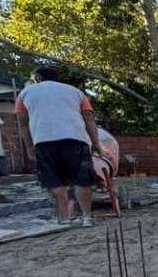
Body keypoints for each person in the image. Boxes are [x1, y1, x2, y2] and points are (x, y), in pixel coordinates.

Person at [16, 67, 108, 227]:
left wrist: (29, 146)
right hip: (75, 138)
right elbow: (89, 119)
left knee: (54, 181)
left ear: (37, 78)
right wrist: (95, 143)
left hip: (43, 140)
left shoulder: (25, 93)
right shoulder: (75, 92)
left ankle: (64, 219)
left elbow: (22, 123)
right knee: (82, 179)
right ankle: (87, 218)